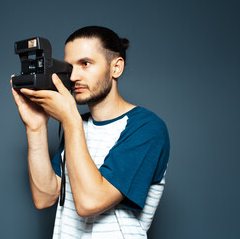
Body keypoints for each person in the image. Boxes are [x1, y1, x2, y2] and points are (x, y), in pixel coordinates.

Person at [11, 26, 170, 238]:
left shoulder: (146, 127)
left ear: (116, 68)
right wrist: (36, 128)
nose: (74, 76)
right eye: (70, 66)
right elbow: (45, 197)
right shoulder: (76, 124)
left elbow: (89, 202)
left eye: (85, 64)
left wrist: (70, 119)